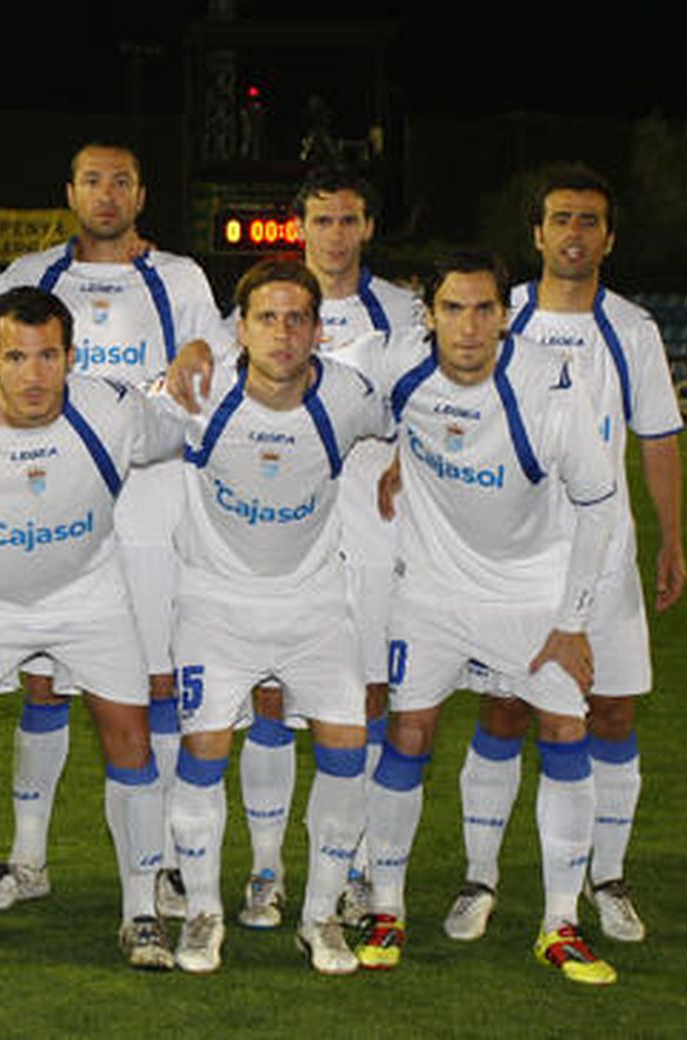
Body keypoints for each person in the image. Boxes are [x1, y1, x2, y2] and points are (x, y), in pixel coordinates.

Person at [0, 286, 187, 971]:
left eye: (49, 356)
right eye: (16, 357)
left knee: (131, 740)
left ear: (70, 356)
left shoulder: (113, 408)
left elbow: (193, 428)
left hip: (90, 597)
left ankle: (140, 915)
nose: (34, 374)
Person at [0, 143, 231, 916]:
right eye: (92, 180)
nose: (107, 193)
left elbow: (209, 381)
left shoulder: (180, 279)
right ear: (69, 191)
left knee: (153, 689)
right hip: (51, 512)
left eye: (121, 181)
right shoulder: (32, 279)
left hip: (150, 510)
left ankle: (168, 871)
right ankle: (28, 859)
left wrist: (200, 349)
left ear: (142, 193)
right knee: (43, 684)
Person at [348, 250, 620, 985]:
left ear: (505, 314)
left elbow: (598, 506)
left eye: (482, 310)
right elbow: (303, 373)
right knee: (409, 733)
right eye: (452, 309)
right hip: (432, 593)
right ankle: (387, 906)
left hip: (533, 593)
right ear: (428, 314)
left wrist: (572, 620)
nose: (467, 327)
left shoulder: (551, 389)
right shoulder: (397, 361)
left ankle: (560, 924)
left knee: (565, 733)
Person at [440, 165, 685, 946]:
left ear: (608, 238)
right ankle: (480, 878)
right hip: (511, 564)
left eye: (589, 220)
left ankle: (606, 879)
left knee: (611, 711)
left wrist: (671, 537)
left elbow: (658, 438)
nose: (574, 233)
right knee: (505, 709)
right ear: (537, 234)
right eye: (560, 219)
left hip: (604, 560)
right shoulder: (493, 316)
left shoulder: (632, 329)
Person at [161, 259, 385, 975]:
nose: (283, 333)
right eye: (267, 318)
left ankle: (320, 917)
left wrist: (406, 457)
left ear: (319, 331)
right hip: (215, 606)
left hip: (316, 604)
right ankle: (201, 914)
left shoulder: (349, 395)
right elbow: (107, 416)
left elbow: (417, 414)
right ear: (240, 330)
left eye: (297, 319)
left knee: (347, 749)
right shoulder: (199, 389)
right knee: (202, 756)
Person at [233, 168, 425, 931]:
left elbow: (436, 396)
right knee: (271, 697)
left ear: (368, 227)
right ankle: (267, 871)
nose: (335, 236)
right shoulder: (267, 303)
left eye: (348, 221)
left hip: (376, 533)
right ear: (301, 227)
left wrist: (409, 455)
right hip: (286, 536)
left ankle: (357, 871)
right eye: (321, 221)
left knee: (367, 703)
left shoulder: (405, 309)